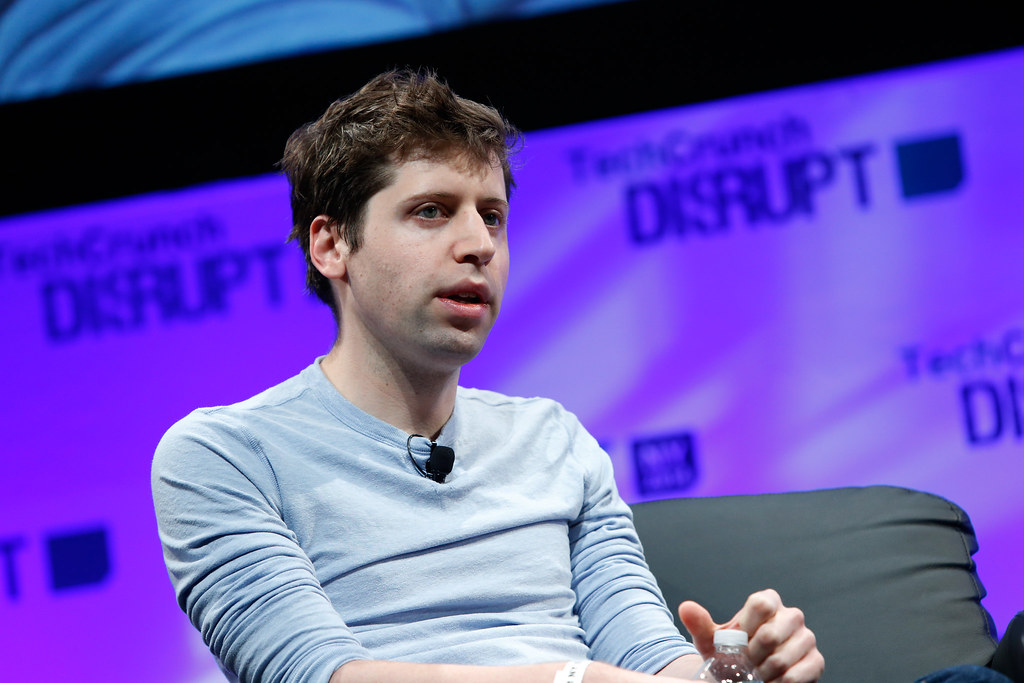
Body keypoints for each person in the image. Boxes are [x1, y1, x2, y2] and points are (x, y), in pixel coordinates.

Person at [152, 69, 825, 683]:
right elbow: (317, 675)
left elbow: (646, 657)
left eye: (492, 215)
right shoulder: (223, 454)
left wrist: (734, 670)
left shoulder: (552, 437)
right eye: (431, 211)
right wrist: (568, 680)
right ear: (332, 244)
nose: (479, 244)